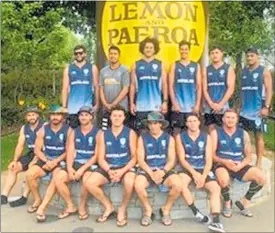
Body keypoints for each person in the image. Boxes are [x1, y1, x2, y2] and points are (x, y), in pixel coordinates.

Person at [35, 106, 100, 221]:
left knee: (86, 180)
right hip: (75, 162)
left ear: (91, 117)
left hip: (89, 164)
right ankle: (70, 205)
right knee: (58, 178)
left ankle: (82, 207)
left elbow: (96, 155)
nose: (83, 117)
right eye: (81, 115)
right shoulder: (74, 132)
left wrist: (81, 169)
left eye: (86, 115)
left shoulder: (98, 133)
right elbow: (69, 152)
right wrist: (70, 168)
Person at [84, 105, 137, 227]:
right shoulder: (102, 134)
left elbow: (134, 158)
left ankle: (122, 209)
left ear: (124, 118)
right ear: (110, 118)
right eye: (114, 116)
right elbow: (100, 158)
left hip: (125, 166)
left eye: (119, 116)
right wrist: (109, 171)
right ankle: (109, 206)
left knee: (130, 182)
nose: (117, 118)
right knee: (89, 183)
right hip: (108, 166)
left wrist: (122, 171)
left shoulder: (130, 133)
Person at [211, 109, 266, 218]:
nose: (230, 120)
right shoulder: (215, 133)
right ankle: (227, 203)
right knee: (223, 179)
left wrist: (240, 165)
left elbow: (249, 156)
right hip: (222, 163)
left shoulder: (243, 133)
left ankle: (244, 202)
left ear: (237, 120)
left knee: (261, 178)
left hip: (238, 163)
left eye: (233, 118)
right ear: (223, 119)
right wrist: (225, 162)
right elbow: (211, 155)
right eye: (227, 117)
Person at [175, 113, 224, 233]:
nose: (192, 123)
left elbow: (208, 160)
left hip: (203, 168)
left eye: (194, 121)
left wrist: (203, 176)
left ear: (199, 122)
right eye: (189, 121)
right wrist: (194, 173)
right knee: (181, 184)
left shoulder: (206, 136)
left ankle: (216, 220)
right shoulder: (180, 137)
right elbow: (182, 159)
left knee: (216, 188)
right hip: (187, 168)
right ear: (186, 124)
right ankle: (196, 213)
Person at [134, 112, 182, 226]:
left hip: (164, 169)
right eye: (150, 123)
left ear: (161, 124)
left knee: (178, 185)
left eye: (155, 123)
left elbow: (172, 160)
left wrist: (162, 172)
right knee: (138, 185)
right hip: (148, 169)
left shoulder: (169, 138)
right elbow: (140, 160)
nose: (152, 126)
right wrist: (151, 173)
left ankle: (165, 210)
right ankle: (148, 211)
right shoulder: (142, 138)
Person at [26, 105, 71, 221]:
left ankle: (42, 207)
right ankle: (37, 199)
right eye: (52, 114)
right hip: (47, 158)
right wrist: (47, 161)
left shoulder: (69, 130)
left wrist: (55, 162)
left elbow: (68, 151)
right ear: (49, 116)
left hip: (61, 160)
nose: (55, 117)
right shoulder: (43, 129)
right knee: (29, 174)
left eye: (58, 114)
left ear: (62, 116)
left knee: (56, 179)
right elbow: (37, 149)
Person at [1, 106, 43, 207]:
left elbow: (45, 145)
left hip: (42, 153)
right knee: (13, 168)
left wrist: (37, 158)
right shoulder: (24, 128)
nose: (31, 117)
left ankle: (24, 197)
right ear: (26, 117)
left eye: (33, 114)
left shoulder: (44, 126)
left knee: (31, 170)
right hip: (31, 153)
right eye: (29, 115)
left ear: (38, 115)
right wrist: (14, 160)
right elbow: (20, 145)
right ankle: (4, 195)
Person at [239, 47, 273, 167]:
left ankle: (258, 162)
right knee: (244, 136)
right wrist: (239, 106)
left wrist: (266, 107)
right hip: (244, 111)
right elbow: (242, 91)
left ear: (257, 56)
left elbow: (269, 90)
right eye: (247, 56)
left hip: (258, 111)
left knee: (258, 136)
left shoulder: (264, 71)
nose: (249, 58)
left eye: (252, 55)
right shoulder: (243, 71)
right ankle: (246, 158)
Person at [130, 37, 168, 133]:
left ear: (155, 49)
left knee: (156, 133)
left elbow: (164, 84)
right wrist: (131, 103)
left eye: (151, 47)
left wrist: (165, 102)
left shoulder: (160, 64)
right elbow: (133, 85)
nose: (148, 49)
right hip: (141, 106)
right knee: (141, 133)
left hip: (156, 106)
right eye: (146, 47)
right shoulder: (136, 64)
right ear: (143, 49)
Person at [62, 44, 99, 128]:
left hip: (87, 108)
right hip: (73, 109)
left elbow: (97, 87)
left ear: (85, 54)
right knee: (73, 134)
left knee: (88, 134)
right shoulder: (68, 68)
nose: (78, 55)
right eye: (76, 53)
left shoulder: (92, 68)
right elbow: (65, 88)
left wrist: (97, 104)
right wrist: (64, 106)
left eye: (81, 53)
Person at [169, 40, 202, 135]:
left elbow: (199, 86)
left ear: (189, 51)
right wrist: (174, 103)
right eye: (182, 49)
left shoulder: (196, 66)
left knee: (192, 131)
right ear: (179, 50)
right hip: (178, 106)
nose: (184, 51)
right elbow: (170, 86)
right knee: (176, 131)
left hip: (191, 106)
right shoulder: (174, 65)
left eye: (186, 49)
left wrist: (197, 105)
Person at [202, 45, 236, 133]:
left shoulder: (228, 68)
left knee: (224, 131)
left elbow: (231, 88)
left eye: (217, 52)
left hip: (223, 106)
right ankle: (213, 147)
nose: (214, 55)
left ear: (221, 54)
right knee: (211, 130)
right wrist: (211, 103)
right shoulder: (206, 70)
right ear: (210, 55)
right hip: (210, 106)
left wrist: (221, 104)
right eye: (212, 53)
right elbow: (204, 89)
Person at [99, 45, 130, 130]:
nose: (113, 56)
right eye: (111, 54)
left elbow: (125, 89)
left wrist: (113, 104)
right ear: (108, 55)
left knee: (122, 133)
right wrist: (105, 104)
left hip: (121, 109)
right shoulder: (103, 71)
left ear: (119, 56)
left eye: (115, 54)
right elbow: (101, 89)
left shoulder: (125, 70)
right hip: (106, 110)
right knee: (105, 132)